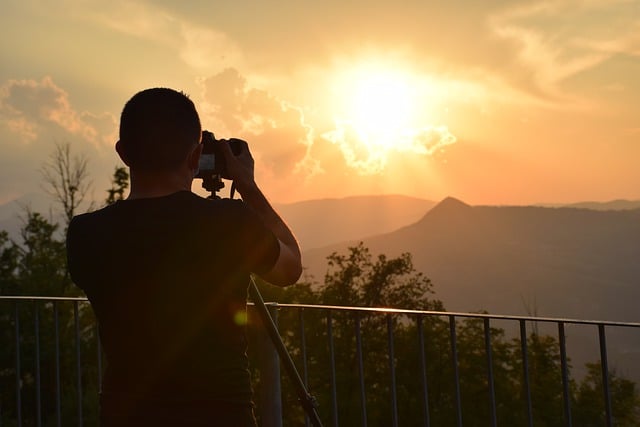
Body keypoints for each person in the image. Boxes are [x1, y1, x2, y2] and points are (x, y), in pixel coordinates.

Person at [66, 87, 302, 426]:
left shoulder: (85, 234)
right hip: (222, 415)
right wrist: (247, 186)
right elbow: (290, 267)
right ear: (196, 157)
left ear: (122, 153)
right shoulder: (231, 223)